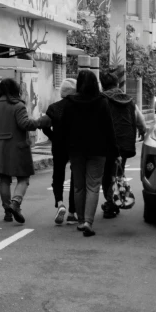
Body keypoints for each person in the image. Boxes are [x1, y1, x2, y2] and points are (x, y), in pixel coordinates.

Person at [0, 78, 51, 224]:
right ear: (15, 90)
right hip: (17, 148)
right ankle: (15, 202)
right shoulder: (18, 106)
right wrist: (40, 122)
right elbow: (24, 123)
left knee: (4, 179)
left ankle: (7, 211)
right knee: (23, 178)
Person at [60, 70, 117, 237]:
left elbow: (63, 129)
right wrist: (115, 152)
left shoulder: (70, 102)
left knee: (78, 186)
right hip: (98, 150)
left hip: (76, 150)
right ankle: (88, 222)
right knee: (93, 186)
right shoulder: (102, 102)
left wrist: (64, 150)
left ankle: (80, 221)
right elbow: (109, 129)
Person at [100, 71, 147, 218]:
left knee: (107, 173)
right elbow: (139, 118)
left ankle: (111, 203)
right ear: (117, 84)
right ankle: (115, 200)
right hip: (125, 143)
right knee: (117, 172)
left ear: (103, 85)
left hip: (107, 143)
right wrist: (142, 130)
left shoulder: (102, 99)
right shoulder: (129, 99)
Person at [41, 78, 78, 225]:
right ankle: (72, 212)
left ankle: (60, 203)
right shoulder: (79, 108)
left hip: (58, 145)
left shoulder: (54, 108)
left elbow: (44, 125)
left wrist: (53, 136)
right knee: (75, 177)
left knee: (58, 175)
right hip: (75, 146)